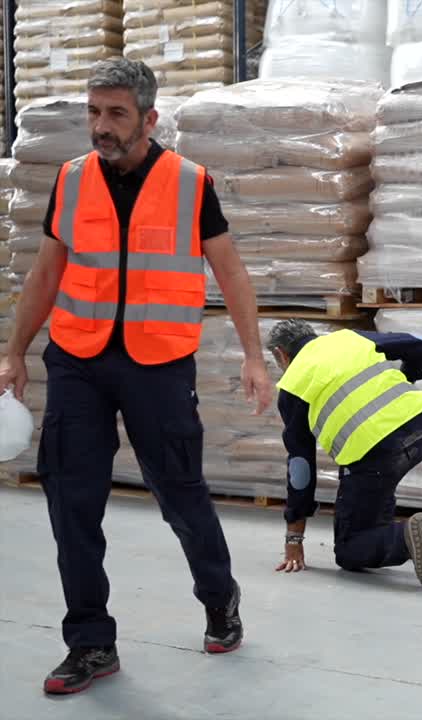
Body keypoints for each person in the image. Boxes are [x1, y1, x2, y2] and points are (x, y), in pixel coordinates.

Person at [0, 59, 272, 694]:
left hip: (158, 361)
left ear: (149, 119)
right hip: (77, 358)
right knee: (71, 503)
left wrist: (255, 356)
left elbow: (230, 273)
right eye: (95, 111)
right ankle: (91, 643)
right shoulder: (70, 181)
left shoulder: (189, 182)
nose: (101, 125)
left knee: (179, 493)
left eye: (116, 113)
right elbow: (46, 274)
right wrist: (13, 351)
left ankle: (218, 595)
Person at [266, 319, 422, 591]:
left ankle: (402, 538)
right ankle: (387, 529)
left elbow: (301, 469)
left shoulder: (292, 385)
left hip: (377, 453)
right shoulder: (347, 339)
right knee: (369, 480)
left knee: (349, 550)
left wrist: (294, 538)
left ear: (281, 354)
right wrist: (409, 378)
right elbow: (419, 342)